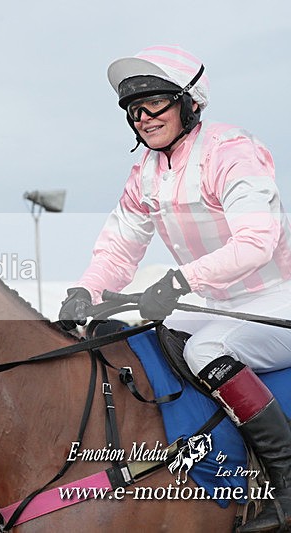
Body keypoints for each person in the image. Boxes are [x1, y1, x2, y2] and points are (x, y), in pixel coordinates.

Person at [58, 44, 291, 533]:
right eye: (133, 109)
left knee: (204, 348)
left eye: (154, 103)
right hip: (220, 302)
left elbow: (256, 242)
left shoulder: (232, 151)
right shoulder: (145, 172)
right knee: (146, 338)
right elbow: (119, 251)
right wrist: (86, 291)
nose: (142, 117)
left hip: (278, 297)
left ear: (190, 103)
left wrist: (181, 280)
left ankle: (286, 483)